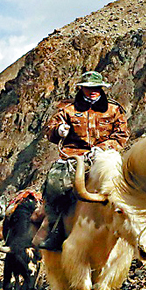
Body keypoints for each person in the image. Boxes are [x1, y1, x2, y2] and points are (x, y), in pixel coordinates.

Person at [37, 71, 130, 250]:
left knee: (128, 185)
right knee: (55, 184)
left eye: (96, 88)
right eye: (89, 88)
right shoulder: (68, 110)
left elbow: (122, 134)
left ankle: (135, 229)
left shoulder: (114, 109)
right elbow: (50, 130)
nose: (93, 91)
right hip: (74, 156)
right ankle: (55, 230)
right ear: (81, 88)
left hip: (105, 156)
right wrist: (58, 130)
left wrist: (103, 148)